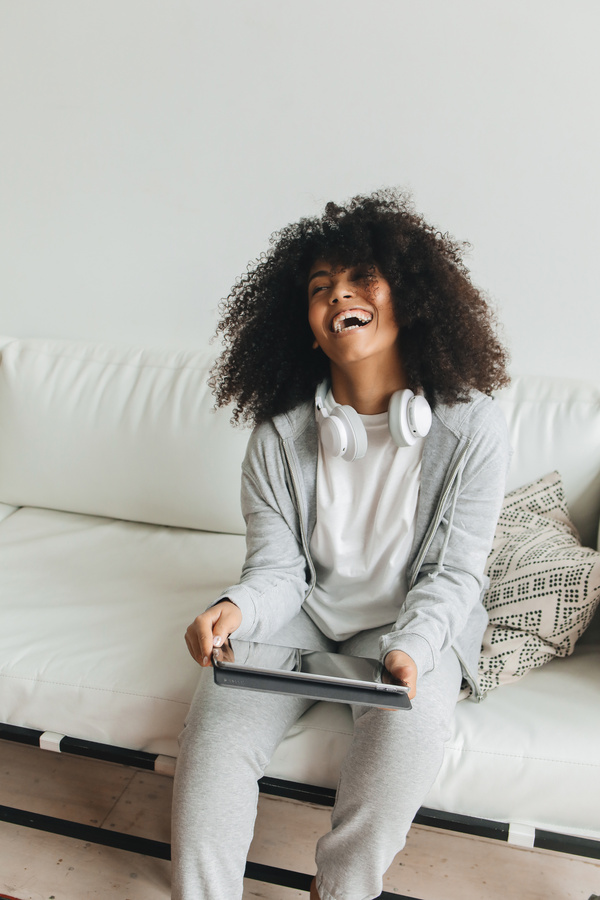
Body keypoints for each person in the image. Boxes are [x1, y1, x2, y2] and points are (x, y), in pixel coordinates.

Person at [171, 188, 511, 900]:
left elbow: (454, 575)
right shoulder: (277, 437)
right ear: (308, 325)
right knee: (212, 740)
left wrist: (411, 651)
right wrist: (235, 609)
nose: (340, 297)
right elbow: (275, 569)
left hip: (410, 625)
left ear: (408, 297)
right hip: (305, 612)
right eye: (321, 288)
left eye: (362, 280)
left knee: (405, 750)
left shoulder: (473, 427)